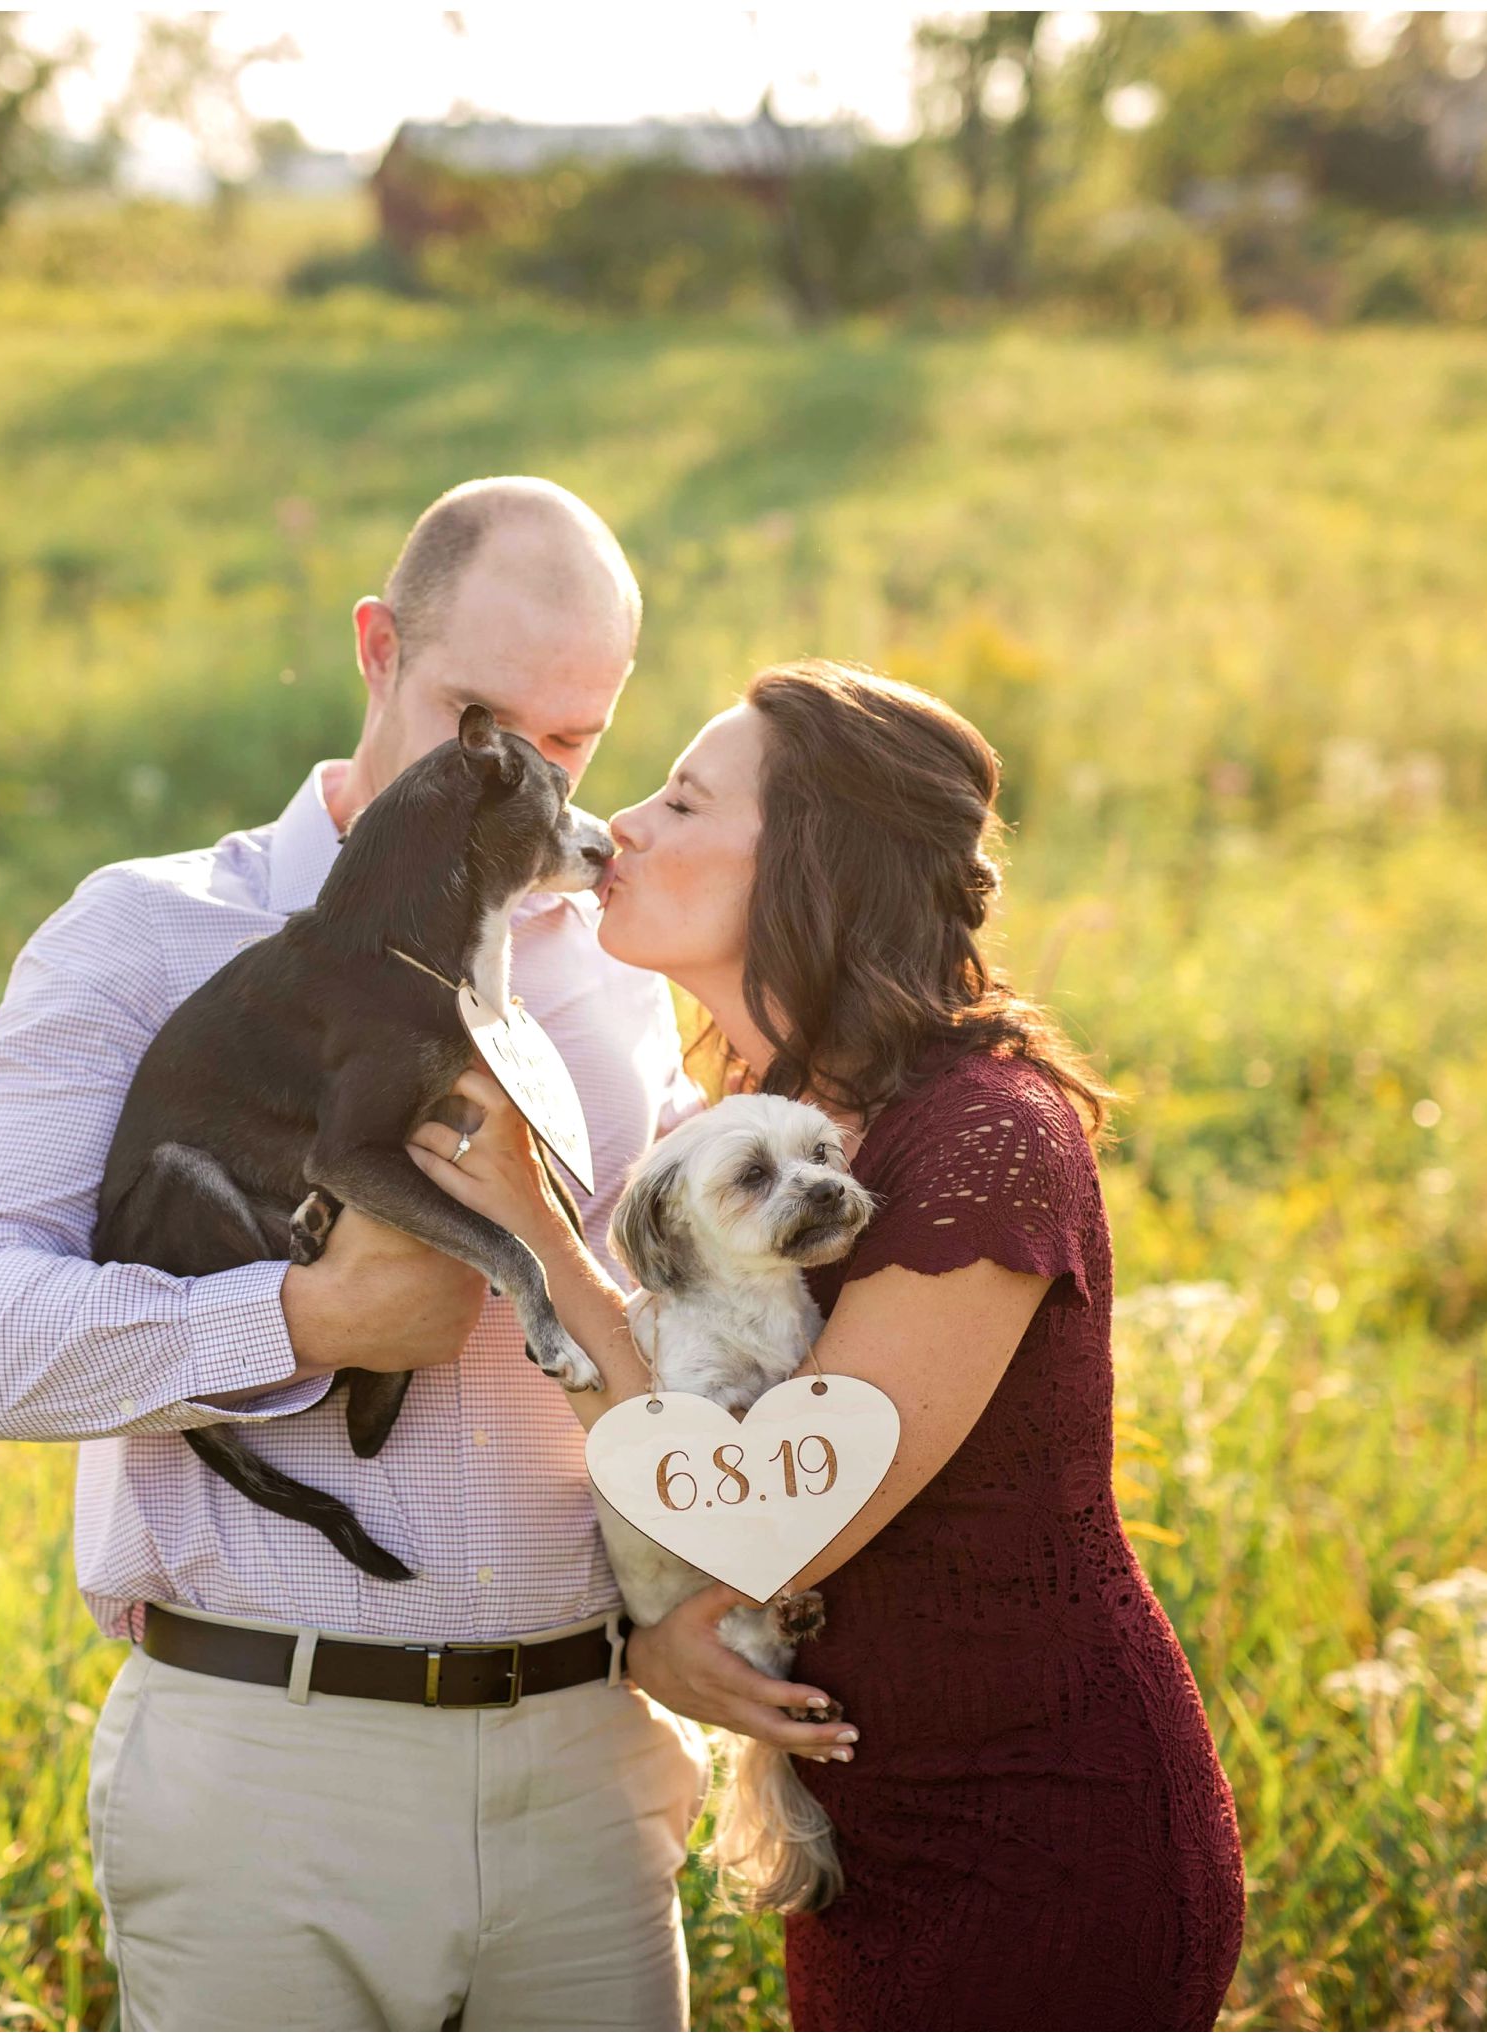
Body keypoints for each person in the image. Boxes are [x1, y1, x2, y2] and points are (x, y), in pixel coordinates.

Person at [0, 476, 824, 2031]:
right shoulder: (144, 935)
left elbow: (664, 1312)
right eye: (478, 717)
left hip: (589, 1767)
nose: (518, 774)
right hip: (274, 1766)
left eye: (570, 742)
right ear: (379, 647)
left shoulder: (609, 968)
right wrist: (301, 1318)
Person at [408, 659, 1249, 2029]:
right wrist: (658, 1643)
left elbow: (777, 1516)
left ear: (811, 862)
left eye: (680, 802)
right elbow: (690, 1454)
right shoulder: (766, 1126)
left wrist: (538, 1233)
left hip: (1040, 1832)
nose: (619, 824)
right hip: (866, 1835)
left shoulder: (979, 1137)